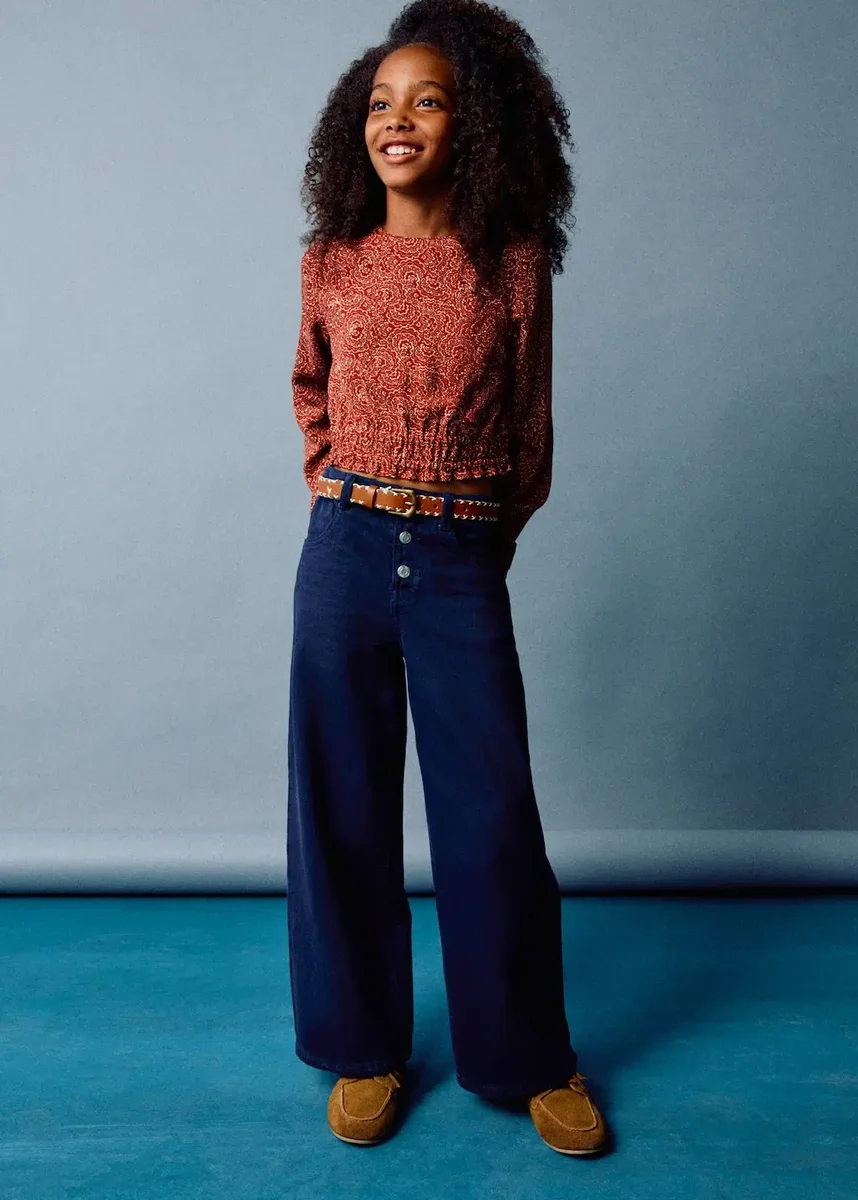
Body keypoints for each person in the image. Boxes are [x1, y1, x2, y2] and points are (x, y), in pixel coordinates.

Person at [287, 0, 608, 1157]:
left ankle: (527, 1055)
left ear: (473, 124)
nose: (400, 119)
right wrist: (343, 491)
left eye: (428, 100)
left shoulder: (510, 264)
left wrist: (471, 538)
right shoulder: (330, 261)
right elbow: (310, 390)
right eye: (382, 101)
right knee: (339, 809)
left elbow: (529, 430)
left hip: (461, 553)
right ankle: (362, 1047)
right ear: (355, 126)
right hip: (345, 553)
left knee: (490, 818)